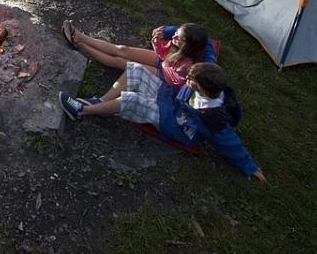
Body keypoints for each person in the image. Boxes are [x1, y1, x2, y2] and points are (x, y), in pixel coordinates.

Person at [59, 62, 267, 181]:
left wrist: (249, 166)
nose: (187, 81)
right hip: (170, 100)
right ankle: (101, 103)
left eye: (191, 80)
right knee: (135, 70)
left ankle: (82, 111)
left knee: (131, 100)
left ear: (203, 89)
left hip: (176, 124)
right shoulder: (208, 86)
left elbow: (229, 143)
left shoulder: (214, 118)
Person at [62, 21, 217, 89]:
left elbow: (178, 82)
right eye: (176, 33)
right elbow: (162, 52)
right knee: (122, 49)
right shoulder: (177, 45)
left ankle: (81, 46)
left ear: (188, 46)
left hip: (166, 76)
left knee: (120, 61)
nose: (174, 36)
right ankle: (82, 37)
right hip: (165, 62)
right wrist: (158, 40)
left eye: (179, 37)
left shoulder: (188, 66)